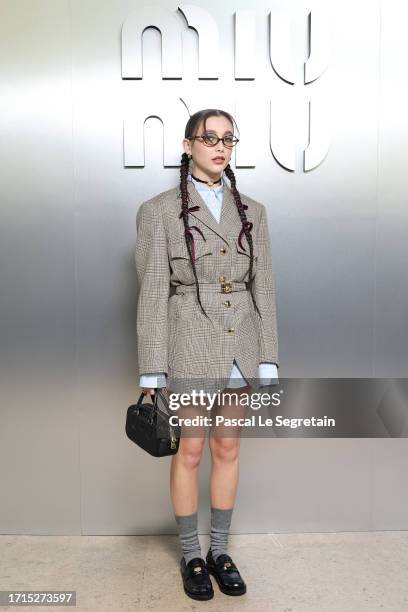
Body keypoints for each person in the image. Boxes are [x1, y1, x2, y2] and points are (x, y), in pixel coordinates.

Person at [134, 108, 279, 601]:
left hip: (241, 341)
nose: (220, 146)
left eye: (228, 139)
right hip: (190, 339)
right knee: (191, 450)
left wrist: (269, 356)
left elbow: (265, 286)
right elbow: (153, 292)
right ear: (187, 143)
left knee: (227, 448)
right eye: (209, 137)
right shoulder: (158, 210)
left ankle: (220, 550)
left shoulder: (253, 211)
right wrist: (152, 369)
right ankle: (192, 553)